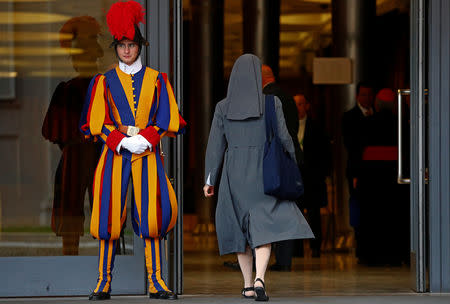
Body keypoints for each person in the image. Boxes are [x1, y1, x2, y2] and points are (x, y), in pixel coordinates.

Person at [79, 1, 186, 300]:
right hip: (115, 154)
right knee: (108, 218)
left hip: (148, 153)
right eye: (122, 45)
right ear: (116, 46)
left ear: (140, 46)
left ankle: (156, 281)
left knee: (153, 217)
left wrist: (147, 139)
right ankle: (103, 282)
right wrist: (121, 140)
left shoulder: (158, 79)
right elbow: (97, 123)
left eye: (132, 45)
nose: (127, 50)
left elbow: (167, 118)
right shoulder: (103, 81)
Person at [203, 54, 313, 301]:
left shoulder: (223, 107)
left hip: (234, 173)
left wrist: (210, 179)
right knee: (264, 226)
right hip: (264, 172)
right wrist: (294, 164)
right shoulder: (271, 104)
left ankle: (247, 284)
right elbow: (285, 138)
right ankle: (261, 277)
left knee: (240, 229)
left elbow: (215, 146)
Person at [42, 16, 103, 255]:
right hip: (90, 155)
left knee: (75, 212)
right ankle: (108, 261)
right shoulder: (99, 88)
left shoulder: (70, 91)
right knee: (100, 209)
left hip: (78, 157)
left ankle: (73, 258)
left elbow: (52, 132)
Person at [293, 94, 330, 258]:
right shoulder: (289, 125)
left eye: (301, 104)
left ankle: (316, 247)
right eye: (295, 104)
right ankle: (297, 249)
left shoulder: (316, 126)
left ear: (306, 106)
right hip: (295, 177)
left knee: (314, 213)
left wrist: (323, 172)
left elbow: (325, 151)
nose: (298, 107)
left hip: (313, 176)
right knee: (296, 213)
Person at [342, 82, 374, 260]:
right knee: (359, 209)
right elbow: (351, 146)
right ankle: (362, 250)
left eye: (370, 94)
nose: (367, 98)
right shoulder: (349, 117)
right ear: (357, 97)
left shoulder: (378, 115)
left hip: (377, 171)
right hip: (357, 170)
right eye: (364, 95)